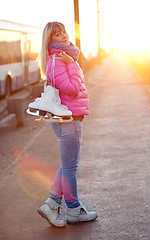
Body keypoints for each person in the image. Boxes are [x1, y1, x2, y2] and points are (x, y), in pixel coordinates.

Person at [37, 21, 98, 227]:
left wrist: (70, 60)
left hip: (67, 118)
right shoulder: (58, 60)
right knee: (70, 166)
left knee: (66, 165)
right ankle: (73, 208)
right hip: (68, 119)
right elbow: (72, 89)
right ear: (50, 40)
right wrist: (71, 63)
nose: (63, 35)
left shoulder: (60, 58)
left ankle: (52, 204)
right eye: (57, 34)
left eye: (63, 31)